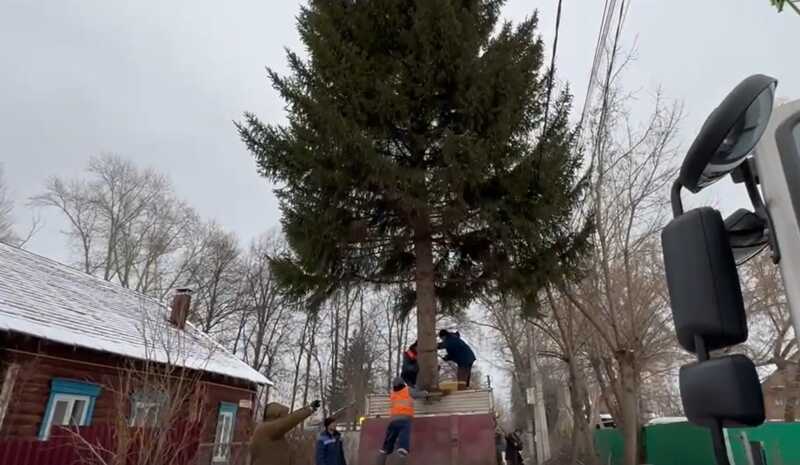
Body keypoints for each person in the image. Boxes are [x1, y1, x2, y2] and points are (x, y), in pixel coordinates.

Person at [250, 400, 321, 465]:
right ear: (275, 415)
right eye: (283, 416)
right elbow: (290, 420)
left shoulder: (270, 430)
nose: (285, 418)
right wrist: (309, 409)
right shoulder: (267, 428)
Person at [376, 376, 428, 465]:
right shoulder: (408, 390)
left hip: (393, 420)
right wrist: (425, 393)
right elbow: (417, 395)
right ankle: (402, 448)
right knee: (404, 433)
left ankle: (384, 451)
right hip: (405, 418)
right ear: (403, 383)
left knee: (390, 437)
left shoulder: (393, 394)